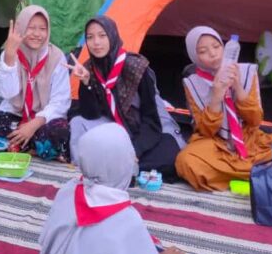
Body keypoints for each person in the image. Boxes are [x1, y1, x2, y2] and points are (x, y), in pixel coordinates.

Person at [37, 124, 200, 254]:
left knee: (143, 247)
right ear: (116, 163)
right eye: (129, 154)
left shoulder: (69, 190)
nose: (135, 159)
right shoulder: (125, 220)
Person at [175, 26, 272, 191]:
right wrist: (216, 95)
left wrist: (238, 86)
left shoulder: (247, 72)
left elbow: (255, 120)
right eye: (203, 51)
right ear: (194, 56)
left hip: (252, 142)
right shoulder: (193, 83)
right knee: (186, 161)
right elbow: (205, 131)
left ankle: (241, 178)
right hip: (217, 146)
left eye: (217, 46)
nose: (213, 54)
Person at [69, 15, 185, 179]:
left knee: (170, 158)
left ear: (112, 35)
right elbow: (91, 115)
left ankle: (111, 166)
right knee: (77, 123)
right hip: (114, 128)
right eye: (90, 37)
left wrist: (134, 150)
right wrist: (86, 83)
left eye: (102, 35)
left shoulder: (136, 67)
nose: (96, 42)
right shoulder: (89, 68)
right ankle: (116, 165)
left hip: (146, 130)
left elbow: (152, 121)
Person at [0, 6, 70, 160]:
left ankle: (14, 145)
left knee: (61, 134)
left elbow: (60, 102)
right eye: (31, 28)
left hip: (43, 119)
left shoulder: (57, 57)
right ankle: (32, 147)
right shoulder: (11, 53)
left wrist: (33, 125)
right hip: (14, 114)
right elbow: (7, 93)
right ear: (21, 28)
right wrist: (10, 58)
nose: (37, 34)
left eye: (42, 29)